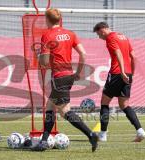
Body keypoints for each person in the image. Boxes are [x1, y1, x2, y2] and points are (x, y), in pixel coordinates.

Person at [32, 8, 98, 152]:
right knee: (50, 106)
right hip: (69, 75)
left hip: (59, 77)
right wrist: (78, 73)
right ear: (60, 19)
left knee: (64, 111)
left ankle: (91, 134)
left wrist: (38, 55)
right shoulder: (70, 34)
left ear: (47, 20)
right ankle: (43, 142)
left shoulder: (47, 35)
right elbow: (83, 53)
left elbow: (43, 62)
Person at [93, 22, 145, 142]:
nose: (99, 37)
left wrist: (122, 72)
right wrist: (130, 73)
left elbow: (118, 54)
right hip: (127, 73)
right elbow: (133, 56)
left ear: (102, 30)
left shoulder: (110, 38)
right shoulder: (123, 36)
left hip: (117, 73)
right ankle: (140, 131)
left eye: (98, 34)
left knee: (104, 102)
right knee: (124, 105)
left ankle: (102, 134)